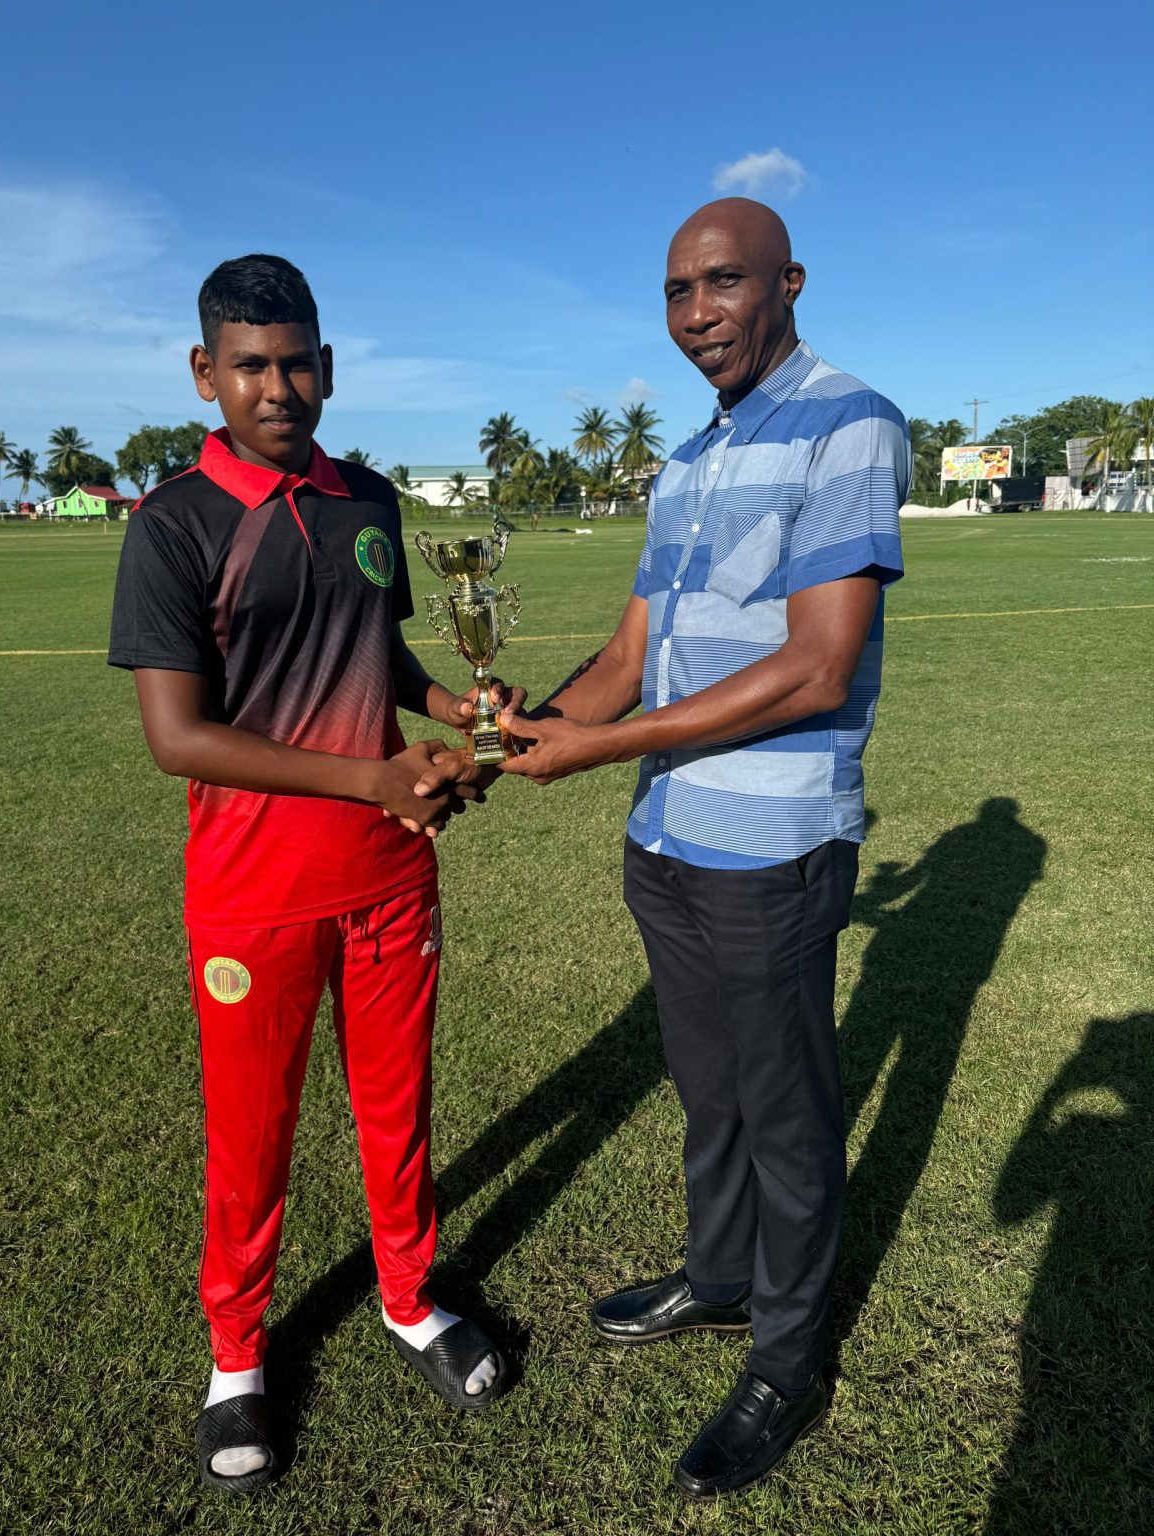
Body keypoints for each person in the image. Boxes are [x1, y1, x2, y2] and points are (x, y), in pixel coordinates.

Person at [490, 199, 911, 1496]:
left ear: (787, 282)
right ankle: (722, 1278)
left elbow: (815, 665)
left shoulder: (852, 422)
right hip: (669, 838)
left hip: (771, 846)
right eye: (677, 293)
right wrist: (516, 737)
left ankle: (786, 1359)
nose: (696, 315)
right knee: (709, 1090)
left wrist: (595, 751)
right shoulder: (686, 460)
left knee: (786, 1115)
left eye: (722, 284)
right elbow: (627, 656)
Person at [108, 254, 506, 1497]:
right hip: (254, 891)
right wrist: (375, 780)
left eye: (296, 363)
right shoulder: (173, 521)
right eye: (250, 366)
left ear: (326, 365)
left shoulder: (369, 500)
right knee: (254, 1132)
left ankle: (406, 1297)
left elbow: (372, 649)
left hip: (393, 874)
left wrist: (457, 702)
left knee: (398, 1109)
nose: (277, 387)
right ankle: (237, 1358)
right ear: (204, 374)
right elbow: (179, 734)